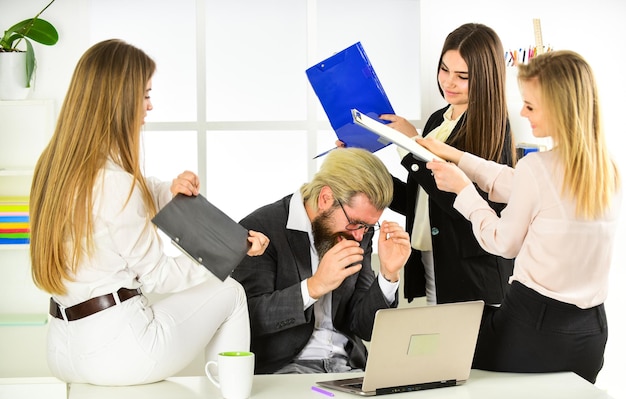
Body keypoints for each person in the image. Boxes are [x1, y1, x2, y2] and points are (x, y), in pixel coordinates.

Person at [29, 39, 269, 386]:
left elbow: (121, 199)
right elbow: (161, 276)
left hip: (63, 349)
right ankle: (231, 392)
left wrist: (166, 191)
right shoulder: (115, 183)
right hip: (118, 353)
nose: (150, 105)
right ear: (119, 100)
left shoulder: (54, 168)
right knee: (230, 292)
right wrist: (233, 250)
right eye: (144, 95)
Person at [419, 50, 621, 383]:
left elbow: (503, 243)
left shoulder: (537, 168)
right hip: (590, 334)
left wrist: (463, 191)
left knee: (442, 349)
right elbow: (515, 184)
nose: (523, 113)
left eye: (530, 105)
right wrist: (457, 156)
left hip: (532, 327)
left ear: (558, 108)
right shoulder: (606, 170)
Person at [231, 148, 411, 374]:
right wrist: (314, 287)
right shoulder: (261, 228)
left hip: (349, 370)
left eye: (367, 226)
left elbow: (364, 327)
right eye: (355, 223)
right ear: (326, 198)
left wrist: (388, 275)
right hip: (285, 370)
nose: (359, 235)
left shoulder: (360, 234)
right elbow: (248, 317)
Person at [379, 23, 516, 305]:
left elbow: (461, 204)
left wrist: (409, 147)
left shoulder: (492, 127)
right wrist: (367, 171)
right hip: (433, 263)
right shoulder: (437, 120)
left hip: (471, 275)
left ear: (485, 76)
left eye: (462, 76)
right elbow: (419, 201)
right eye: (444, 69)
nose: (448, 82)